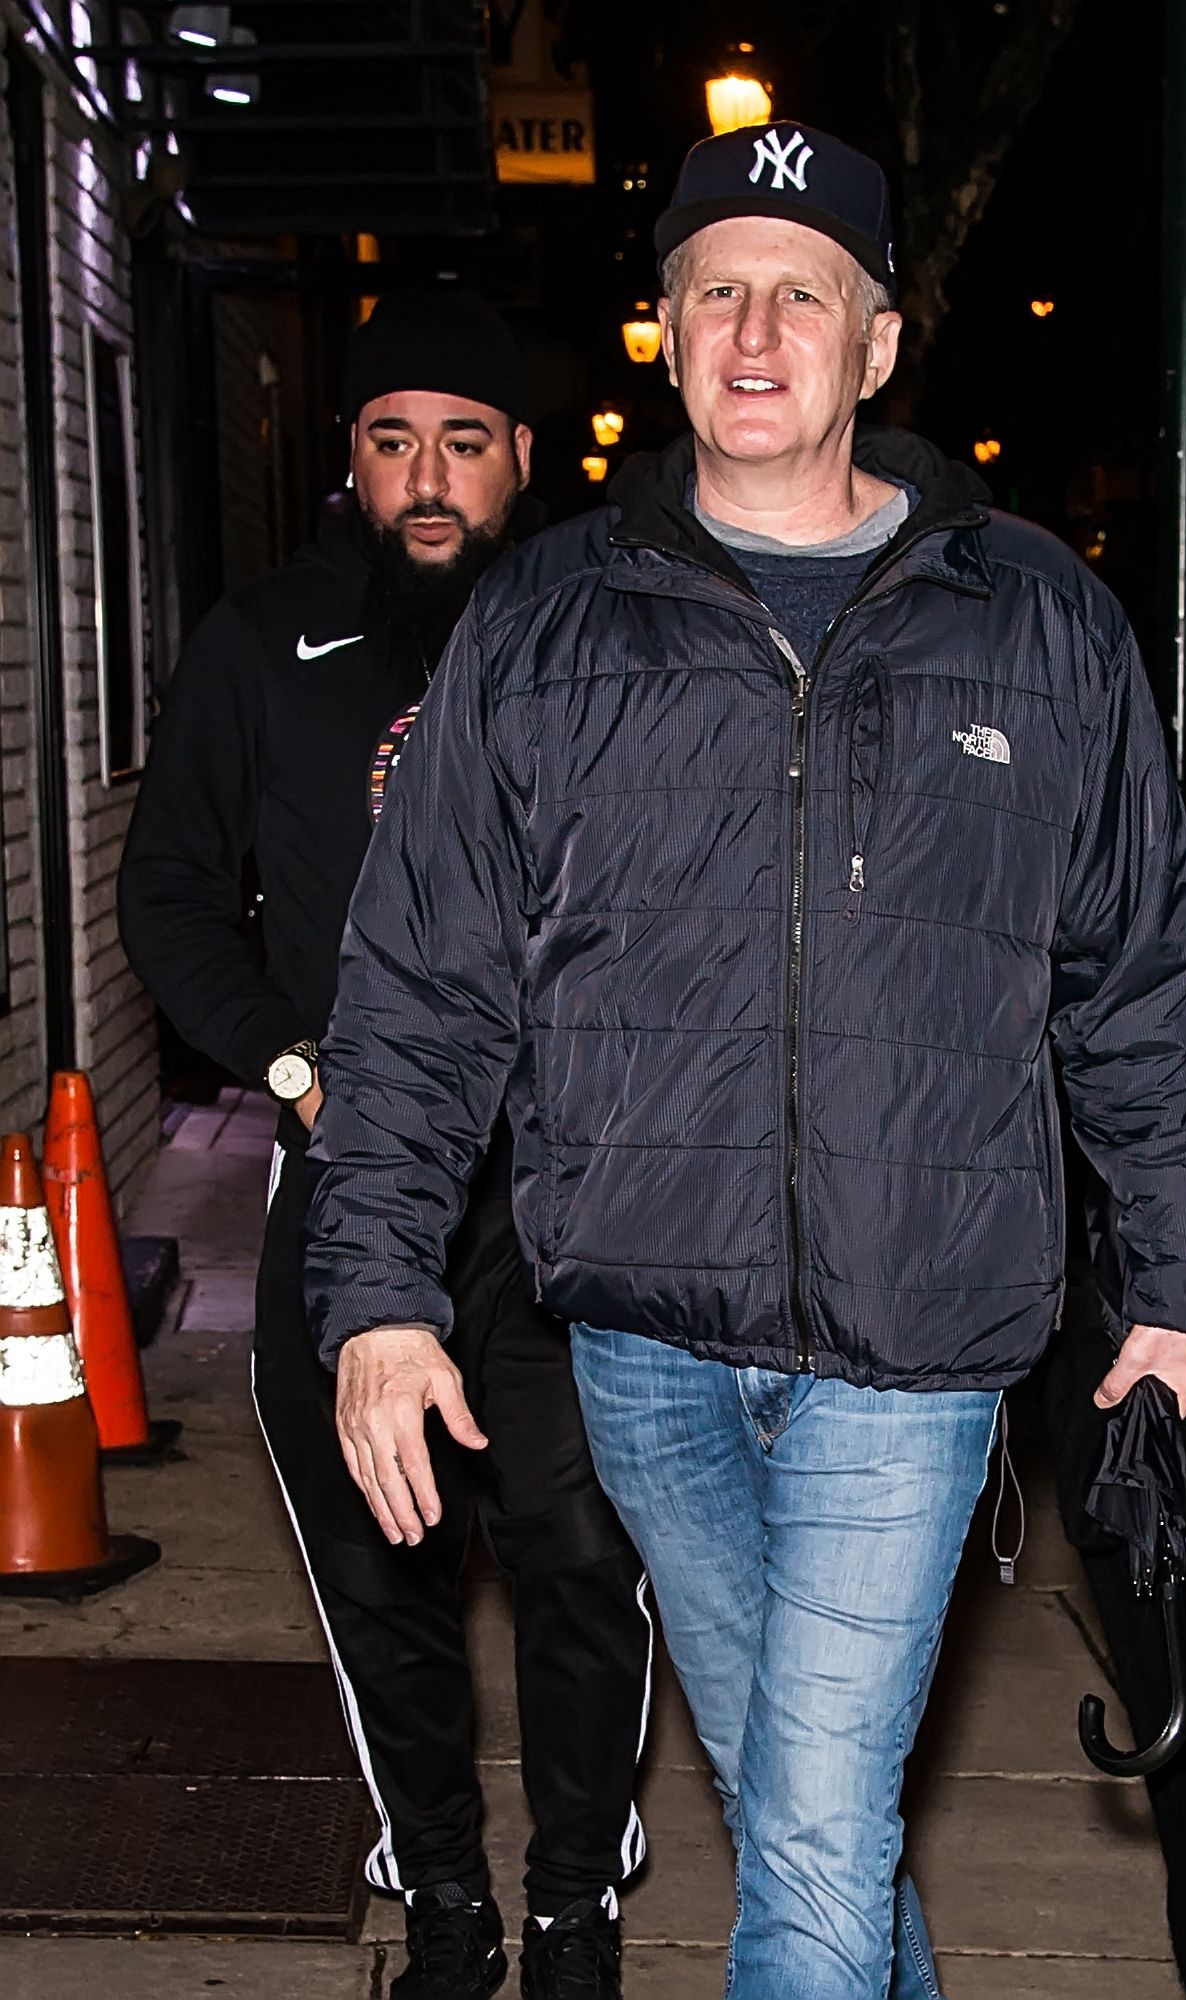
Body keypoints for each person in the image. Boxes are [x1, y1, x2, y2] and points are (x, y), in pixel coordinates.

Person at [303, 132, 1186, 2000]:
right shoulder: (548, 621)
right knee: (800, 1809)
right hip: (643, 1338)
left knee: (809, 1838)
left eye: (800, 291)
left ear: (876, 346)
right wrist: (379, 1292)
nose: (755, 329)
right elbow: (421, 983)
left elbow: (1138, 968)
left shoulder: (1038, 618)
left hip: (921, 1340)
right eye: (715, 288)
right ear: (663, 334)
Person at [118, 292, 648, 2000]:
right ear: (348, 455)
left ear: (524, 460)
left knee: (583, 1555)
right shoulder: (262, 643)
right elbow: (173, 902)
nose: (430, 476)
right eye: (393, 437)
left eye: (467, 441)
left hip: (567, 1195)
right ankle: (444, 1899)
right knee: (381, 1565)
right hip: (353, 1187)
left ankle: (576, 1897)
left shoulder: (602, 628)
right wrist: (293, 1066)